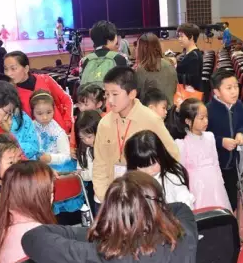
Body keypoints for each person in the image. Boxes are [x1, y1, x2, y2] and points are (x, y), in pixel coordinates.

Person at [22, 171, 200, 263]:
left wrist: (111, 231)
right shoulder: (184, 238)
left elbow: (34, 238)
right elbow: (180, 208)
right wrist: (147, 207)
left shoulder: (96, 259)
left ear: (109, 212)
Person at [93, 67, 180, 205]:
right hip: (111, 196)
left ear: (132, 94)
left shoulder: (151, 120)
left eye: (115, 94)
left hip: (143, 199)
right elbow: (99, 164)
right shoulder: (104, 124)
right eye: (107, 94)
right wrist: (105, 197)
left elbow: (173, 155)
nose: (109, 100)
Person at [0, 161, 57, 263]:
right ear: (36, 197)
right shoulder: (38, 235)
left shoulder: (4, 221)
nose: (52, 197)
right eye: (49, 193)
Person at [206, 69, 243, 209]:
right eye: (229, 88)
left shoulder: (239, 105)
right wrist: (221, 142)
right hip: (216, 165)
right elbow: (202, 137)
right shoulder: (208, 110)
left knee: (232, 199)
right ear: (217, 92)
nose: (234, 91)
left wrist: (241, 133)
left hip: (234, 163)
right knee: (217, 199)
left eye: (236, 86)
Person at [175, 98, 231, 211]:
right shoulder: (182, 143)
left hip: (215, 184)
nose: (206, 121)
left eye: (206, 117)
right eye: (201, 118)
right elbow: (181, 171)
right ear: (188, 121)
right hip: (197, 188)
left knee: (220, 212)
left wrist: (220, 182)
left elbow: (215, 162)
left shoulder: (210, 136)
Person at [4, 51, 74, 133]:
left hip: (59, 131)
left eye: (13, 68)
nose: (9, 73)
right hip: (36, 137)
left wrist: (67, 122)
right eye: (6, 69)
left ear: (26, 69)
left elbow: (66, 99)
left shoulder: (45, 80)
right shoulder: (11, 93)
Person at [125, 130, 195, 209]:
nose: (149, 171)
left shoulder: (172, 176)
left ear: (161, 156)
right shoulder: (132, 181)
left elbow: (185, 201)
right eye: (142, 166)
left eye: (153, 164)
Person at [0, 73, 40, 161]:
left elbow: (34, 146)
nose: (13, 97)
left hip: (26, 163)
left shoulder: (22, 117)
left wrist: (13, 143)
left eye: (14, 91)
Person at [30, 90, 74, 173]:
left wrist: (50, 158)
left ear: (54, 110)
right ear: (32, 112)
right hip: (33, 168)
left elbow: (66, 156)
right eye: (40, 113)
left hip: (55, 169)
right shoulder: (29, 128)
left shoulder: (58, 132)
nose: (45, 117)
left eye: (49, 112)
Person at [79, 20, 128, 87]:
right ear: (112, 37)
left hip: (89, 93)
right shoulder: (121, 58)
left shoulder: (84, 60)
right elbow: (125, 84)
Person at [135, 33, 179, 106]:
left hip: (151, 109)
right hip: (169, 107)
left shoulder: (142, 69)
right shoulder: (169, 63)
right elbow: (175, 86)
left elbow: (137, 93)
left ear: (141, 49)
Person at [74, 110, 102, 184]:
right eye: (82, 138)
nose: (86, 141)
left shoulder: (104, 148)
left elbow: (91, 175)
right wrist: (79, 171)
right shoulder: (84, 148)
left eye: (89, 137)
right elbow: (80, 166)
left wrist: (80, 174)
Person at [176, 23, 203, 91]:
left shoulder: (194, 57)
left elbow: (192, 80)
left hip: (190, 94)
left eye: (182, 36)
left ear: (191, 37)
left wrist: (173, 72)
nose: (179, 39)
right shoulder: (190, 53)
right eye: (179, 36)